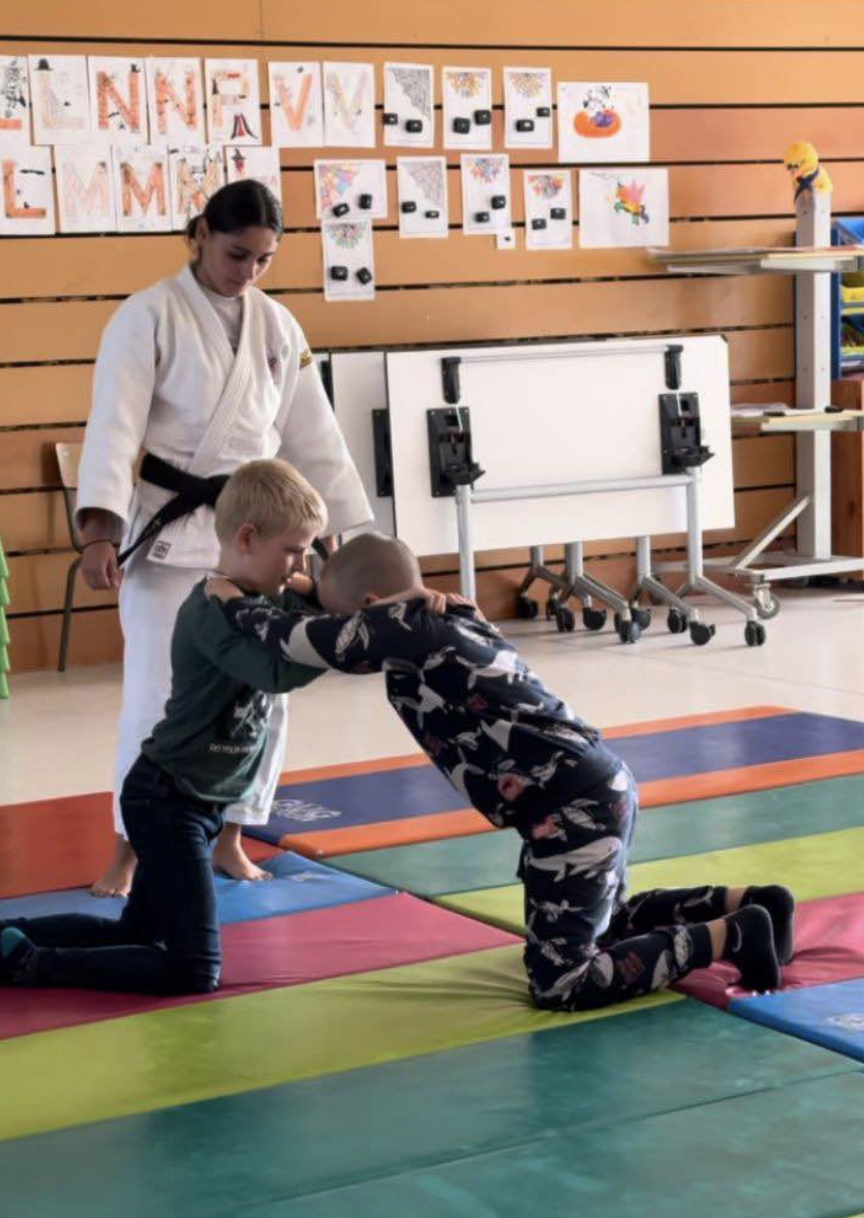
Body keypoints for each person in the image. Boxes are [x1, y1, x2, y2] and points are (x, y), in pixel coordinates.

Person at [204, 532, 796, 1011]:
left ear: (365, 608)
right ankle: (755, 900)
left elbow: (295, 638)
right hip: (591, 786)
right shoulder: (443, 613)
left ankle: (733, 934)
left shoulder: (403, 628)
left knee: (561, 982)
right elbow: (339, 610)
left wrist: (230, 597)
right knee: (607, 924)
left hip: (570, 809)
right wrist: (311, 584)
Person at [76, 178, 371, 898]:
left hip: (257, 542)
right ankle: (130, 849)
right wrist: (99, 530)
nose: (249, 272)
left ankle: (232, 837)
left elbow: (315, 435)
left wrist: (352, 538)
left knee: (264, 696)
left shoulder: (278, 327)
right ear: (199, 233)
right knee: (156, 697)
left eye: (264, 259)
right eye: (238, 254)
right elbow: (114, 428)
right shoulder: (145, 317)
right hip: (172, 534)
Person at [0, 461, 329, 994]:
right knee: (194, 969)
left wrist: (395, 600)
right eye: (293, 550)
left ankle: (9, 938)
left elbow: (325, 598)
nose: (302, 563)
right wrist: (343, 648)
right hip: (166, 802)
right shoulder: (211, 610)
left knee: (141, 929)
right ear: (247, 537)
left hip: (195, 804)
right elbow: (276, 671)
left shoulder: (267, 596)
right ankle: (32, 966)